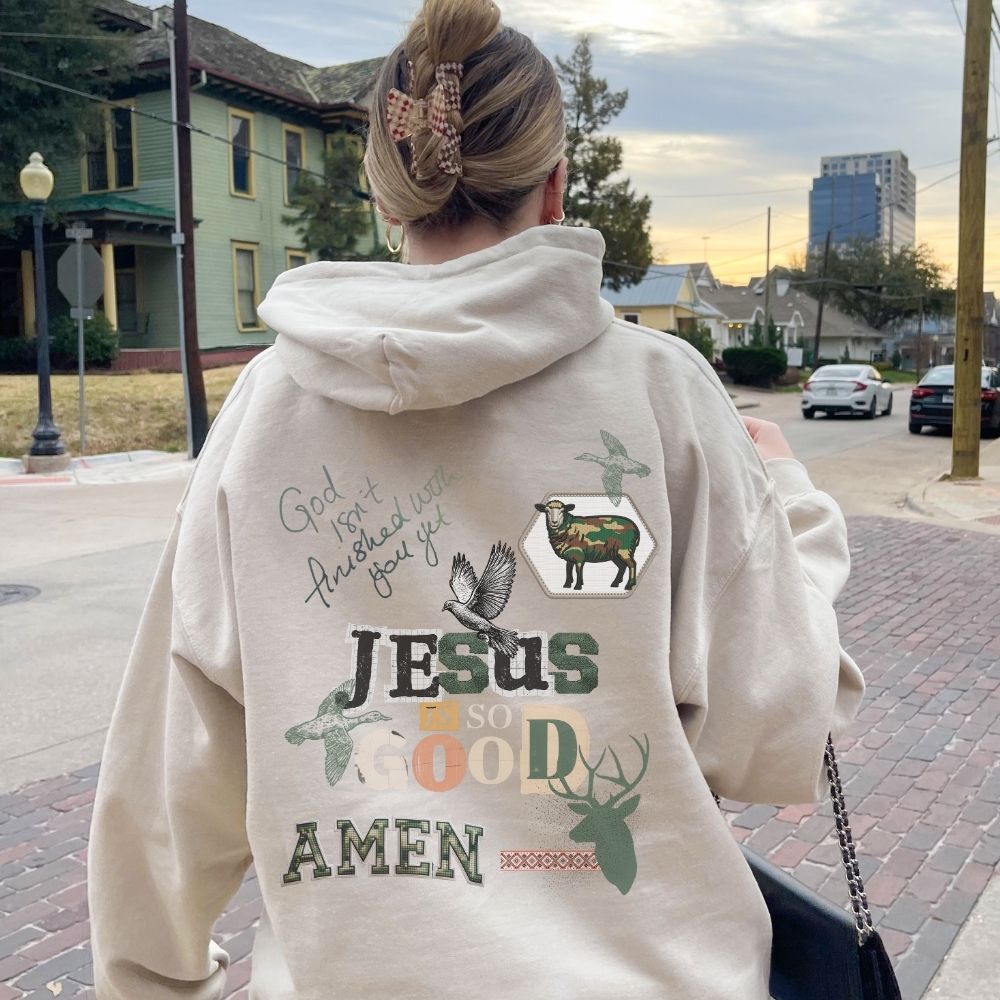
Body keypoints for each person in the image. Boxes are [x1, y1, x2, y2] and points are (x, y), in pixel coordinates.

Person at [88, 0, 864, 997]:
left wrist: (153, 981)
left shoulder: (265, 415)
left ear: (384, 196)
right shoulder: (665, 397)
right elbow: (775, 729)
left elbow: (163, 788)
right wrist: (790, 497)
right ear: (555, 188)